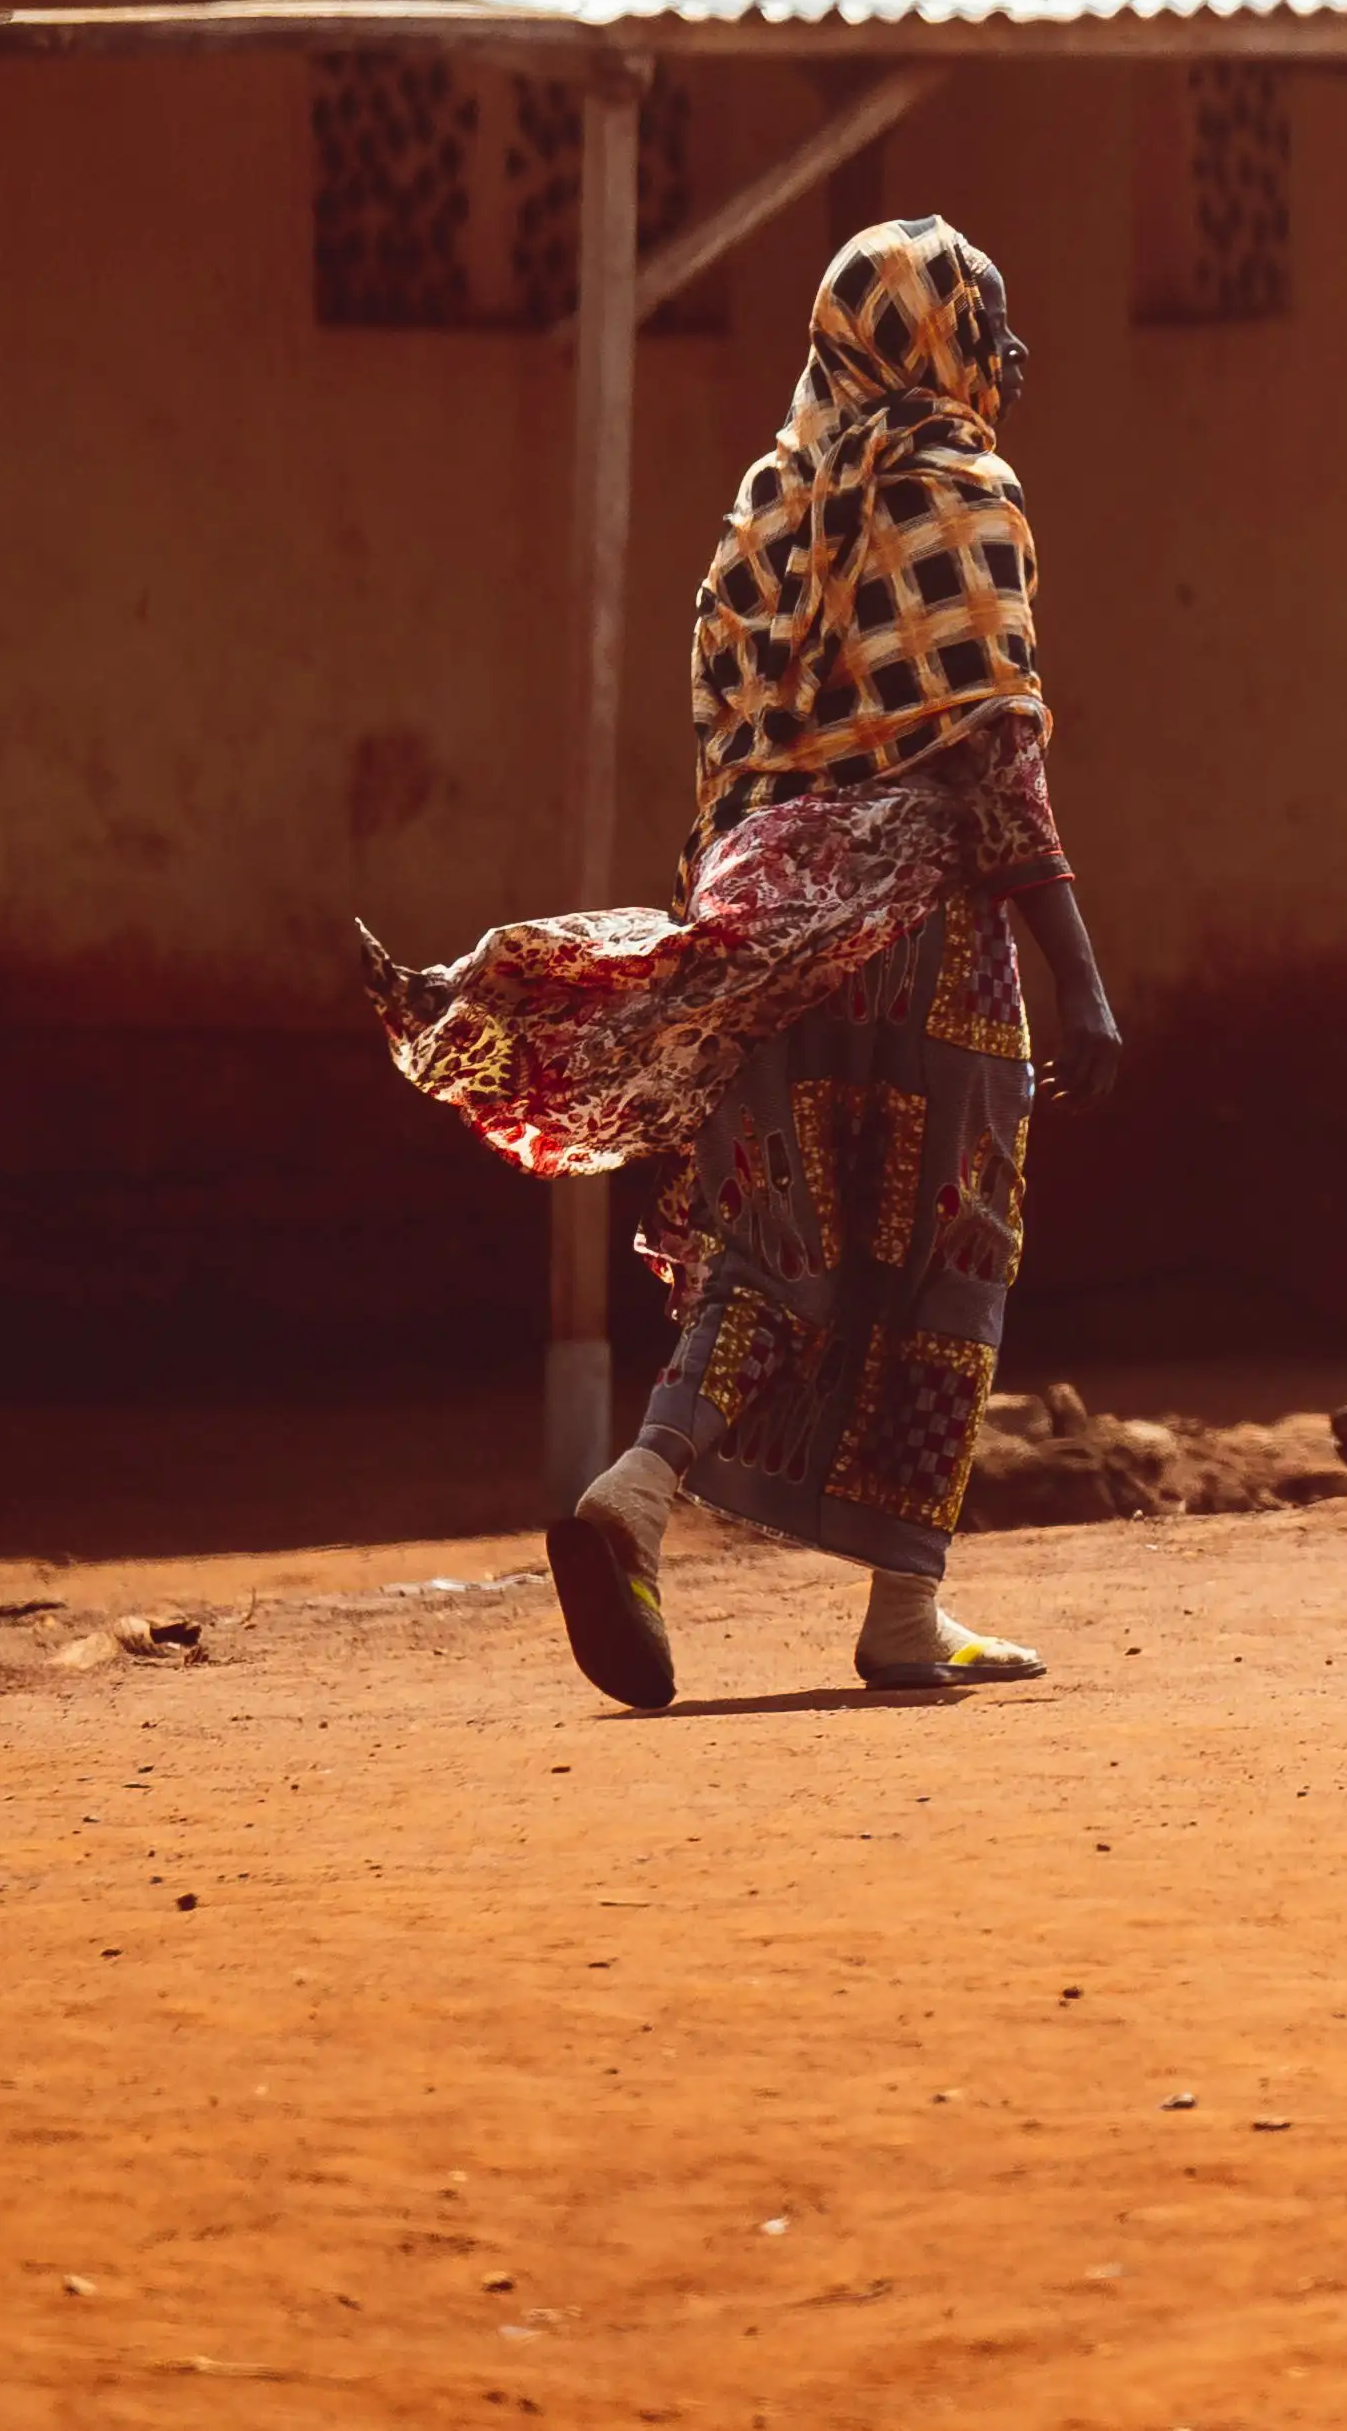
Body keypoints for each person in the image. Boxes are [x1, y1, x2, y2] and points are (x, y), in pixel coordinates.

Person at [363, 217, 1122, 1710]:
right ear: (941, 339)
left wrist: (732, 941)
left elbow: (733, 758)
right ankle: (905, 1609)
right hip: (926, 938)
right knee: (948, 1254)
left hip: (772, 927)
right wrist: (1080, 974)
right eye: (990, 319)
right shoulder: (955, 482)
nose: (1007, 352)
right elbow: (988, 753)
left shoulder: (772, 501)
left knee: (774, 1244)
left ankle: (637, 1492)